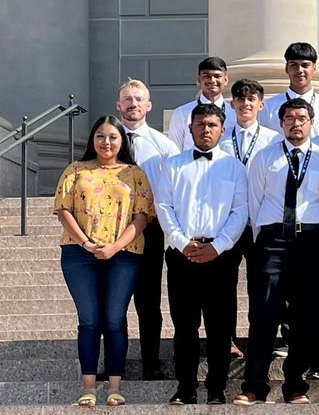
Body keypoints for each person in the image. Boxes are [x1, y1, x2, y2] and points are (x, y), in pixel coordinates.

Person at [235, 99, 319, 405]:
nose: (296, 123)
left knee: (306, 315)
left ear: (311, 122)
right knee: (264, 314)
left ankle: (295, 384)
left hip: (310, 241)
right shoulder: (265, 158)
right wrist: (266, 237)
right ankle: (255, 384)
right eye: (289, 118)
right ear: (280, 123)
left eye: (302, 118)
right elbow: (255, 202)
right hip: (272, 241)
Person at [53, 116, 154, 407]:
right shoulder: (75, 170)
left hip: (124, 255)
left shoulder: (134, 173)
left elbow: (142, 216)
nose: (106, 142)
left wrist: (114, 247)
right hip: (78, 253)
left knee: (113, 320)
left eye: (112, 136)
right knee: (88, 321)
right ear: (92, 140)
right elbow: (63, 209)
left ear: (122, 141)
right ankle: (88, 387)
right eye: (100, 136)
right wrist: (86, 242)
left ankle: (114, 387)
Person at [157, 104, 249, 405]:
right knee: (184, 327)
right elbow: (164, 208)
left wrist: (218, 246)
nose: (205, 129)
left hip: (220, 256)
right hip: (182, 254)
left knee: (220, 327)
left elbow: (240, 211)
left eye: (212, 124)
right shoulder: (172, 165)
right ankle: (185, 387)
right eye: (200, 124)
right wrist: (182, 242)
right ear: (190, 128)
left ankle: (217, 387)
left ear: (222, 130)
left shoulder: (234, 167)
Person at [115, 78, 179, 379]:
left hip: (149, 231)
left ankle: (150, 363)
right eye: (127, 99)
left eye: (139, 99)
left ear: (149, 105)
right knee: (113, 302)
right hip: (111, 230)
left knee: (148, 301)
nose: (133, 103)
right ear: (118, 105)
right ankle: (115, 363)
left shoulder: (164, 146)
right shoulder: (106, 142)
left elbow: (172, 190)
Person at [218, 78, 280, 357]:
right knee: (224, 285)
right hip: (228, 222)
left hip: (260, 222)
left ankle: (260, 338)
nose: (245, 104)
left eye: (251, 99)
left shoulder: (274, 140)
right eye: (240, 100)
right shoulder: (221, 139)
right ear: (232, 105)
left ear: (260, 105)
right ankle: (227, 339)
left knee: (262, 285)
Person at [261, 42, 319, 136]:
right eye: (294, 65)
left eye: (305, 65)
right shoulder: (269, 107)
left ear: (314, 68)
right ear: (286, 68)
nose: (299, 70)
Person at [167, 56, 230, 150]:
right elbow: (174, 150)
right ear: (198, 80)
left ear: (225, 80)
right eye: (207, 76)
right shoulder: (181, 113)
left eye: (217, 76)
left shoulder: (234, 113)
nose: (212, 80)